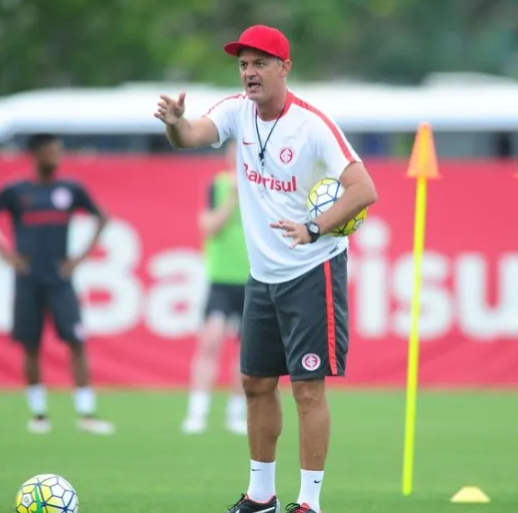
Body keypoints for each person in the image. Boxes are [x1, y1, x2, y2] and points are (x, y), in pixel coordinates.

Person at [154, 24, 378, 513]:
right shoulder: (237, 111)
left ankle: (309, 504)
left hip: (310, 271)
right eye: (243, 64)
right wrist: (174, 121)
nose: (249, 72)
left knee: (306, 388)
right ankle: (260, 497)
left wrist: (315, 228)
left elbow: (364, 189)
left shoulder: (313, 125)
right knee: (255, 384)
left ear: (284, 67)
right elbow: (189, 136)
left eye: (259, 63)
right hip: (262, 277)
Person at [0, 133, 115, 436]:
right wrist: (5, 253)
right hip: (28, 280)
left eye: (58, 151)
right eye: (50, 152)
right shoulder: (16, 191)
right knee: (31, 345)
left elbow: (101, 217)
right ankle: (38, 414)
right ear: (35, 155)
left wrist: (78, 259)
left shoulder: (70, 189)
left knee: (76, 342)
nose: (56, 157)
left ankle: (86, 413)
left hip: (60, 280)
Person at [182, 142, 250, 436]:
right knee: (210, 340)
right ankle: (197, 412)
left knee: (247, 352)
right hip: (221, 278)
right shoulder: (218, 186)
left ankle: (236, 413)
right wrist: (232, 199)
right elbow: (209, 226)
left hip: (253, 280)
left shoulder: (265, 189)